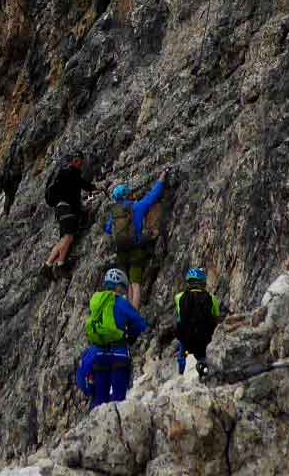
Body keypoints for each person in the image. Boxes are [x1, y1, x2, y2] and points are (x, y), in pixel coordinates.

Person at [74, 268, 150, 407]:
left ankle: (97, 419)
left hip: (99, 355)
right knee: (118, 400)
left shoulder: (97, 302)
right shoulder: (121, 302)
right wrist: (132, 335)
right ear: (119, 286)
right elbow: (140, 324)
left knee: (100, 400)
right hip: (119, 354)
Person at [102, 172, 169, 306]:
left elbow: (108, 230)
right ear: (128, 195)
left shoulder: (115, 214)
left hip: (120, 251)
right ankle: (134, 313)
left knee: (126, 284)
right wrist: (162, 177)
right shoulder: (136, 207)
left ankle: (128, 311)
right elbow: (153, 196)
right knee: (136, 283)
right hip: (136, 248)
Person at [42, 157, 97, 270]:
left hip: (60, 209)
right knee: (68, 237)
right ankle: (59, 264)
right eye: (80, 162)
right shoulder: (71, 173)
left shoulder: (65, 174)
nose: (81, 165)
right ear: (74, 161)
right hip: (66, 209)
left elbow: (82, 188)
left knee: (64, 239)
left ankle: (49, 266)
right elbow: (86, 186)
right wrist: (95, 189)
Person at [168, 268, 222, 375]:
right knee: (203, 354)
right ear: (203, 283)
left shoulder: (178, 297)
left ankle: (181, 370)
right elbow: (217, 318)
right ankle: (204, 367)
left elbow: (180, 316)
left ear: (188, 282)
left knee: (182, 341)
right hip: (205, 338)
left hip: (186, 338)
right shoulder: (212, 298)